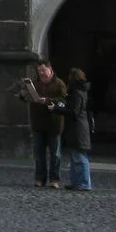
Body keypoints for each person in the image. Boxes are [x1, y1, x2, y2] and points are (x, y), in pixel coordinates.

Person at [22, 59, 68, 188]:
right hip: (38, 123)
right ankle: (40, 179)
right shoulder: (35, 83)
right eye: (39, 71)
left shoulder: (59, 84)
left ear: (50, 69)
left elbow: (64, 101)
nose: (41, 73)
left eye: (43, 70)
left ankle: (54, 179)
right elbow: (26, 98)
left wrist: (47, 100)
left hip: (54, 124)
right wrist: (23, 94)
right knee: (39, 154)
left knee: (55, 154)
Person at [60, 67, 93, 191]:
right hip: (77, 128)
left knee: (79, 157)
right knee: (75, 157)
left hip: (77, 128)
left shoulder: (77, 93)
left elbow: (74, 112)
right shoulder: (79, 92)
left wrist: (58, 109)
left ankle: (84, 183)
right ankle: (76, 182)